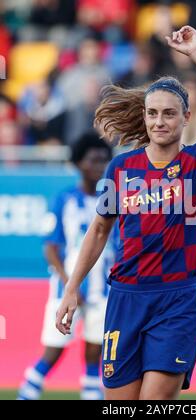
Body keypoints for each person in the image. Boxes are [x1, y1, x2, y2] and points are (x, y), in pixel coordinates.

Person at [56, 25, 196, 400]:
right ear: (143, 117)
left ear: (186, 116)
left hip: (177, 300)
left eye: (169, 114)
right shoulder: (121, 169)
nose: (160, 121)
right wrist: (71, 288)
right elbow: (98, 231)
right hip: (125, 297)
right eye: (152, 113)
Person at [18, 132, 116, 400]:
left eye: (104, 161)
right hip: (67, 290)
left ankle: (91, 394)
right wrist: (68, 283)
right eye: (93, 160)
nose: (99, 167)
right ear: (78, 163)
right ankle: (27, 392)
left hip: (103, 290)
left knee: (96, 349)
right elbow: (51, 246)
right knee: (54, 348)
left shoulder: (112, 201)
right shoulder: (65, 200)